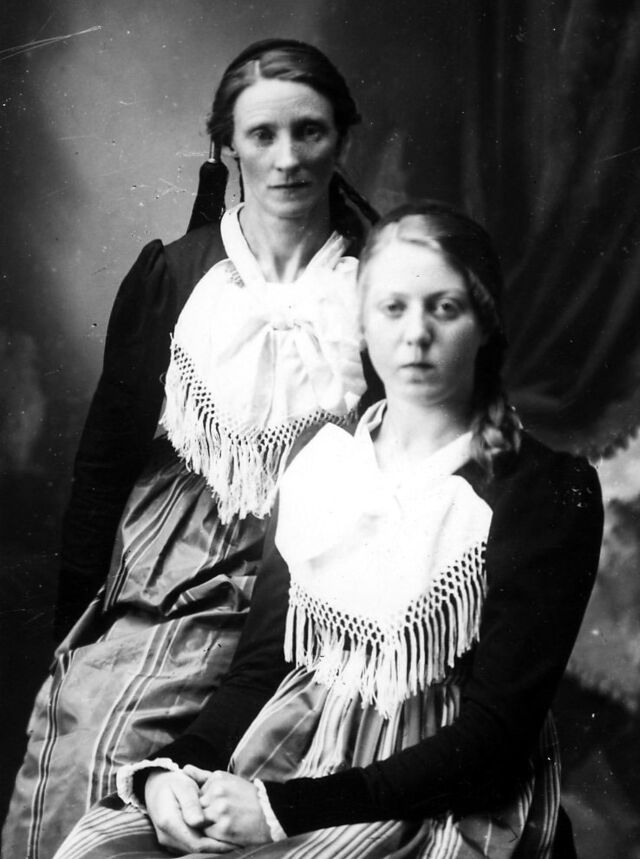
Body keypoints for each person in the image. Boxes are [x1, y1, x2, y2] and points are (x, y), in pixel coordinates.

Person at [52, 201, 603, 859]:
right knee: (98, 845)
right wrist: (175, 769)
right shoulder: (320, 461)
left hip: (431, 798)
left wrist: (278, 813)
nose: (416, 334)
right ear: (361, 321)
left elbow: (493, 744)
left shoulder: (544, 490)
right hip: (288, 756)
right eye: (392, 307)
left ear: (486, 323)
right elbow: (260, 669)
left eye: (445, 308)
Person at [2, 38, 380, 859]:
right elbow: (103, 467)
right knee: (95, 759)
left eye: (310, 132)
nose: (287, 159)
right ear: (228, 144)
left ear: (343, 138)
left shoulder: (382, 285)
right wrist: (78, 639)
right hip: (177, 584)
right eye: (262, 135)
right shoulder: (177, 275)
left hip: (329, 578)